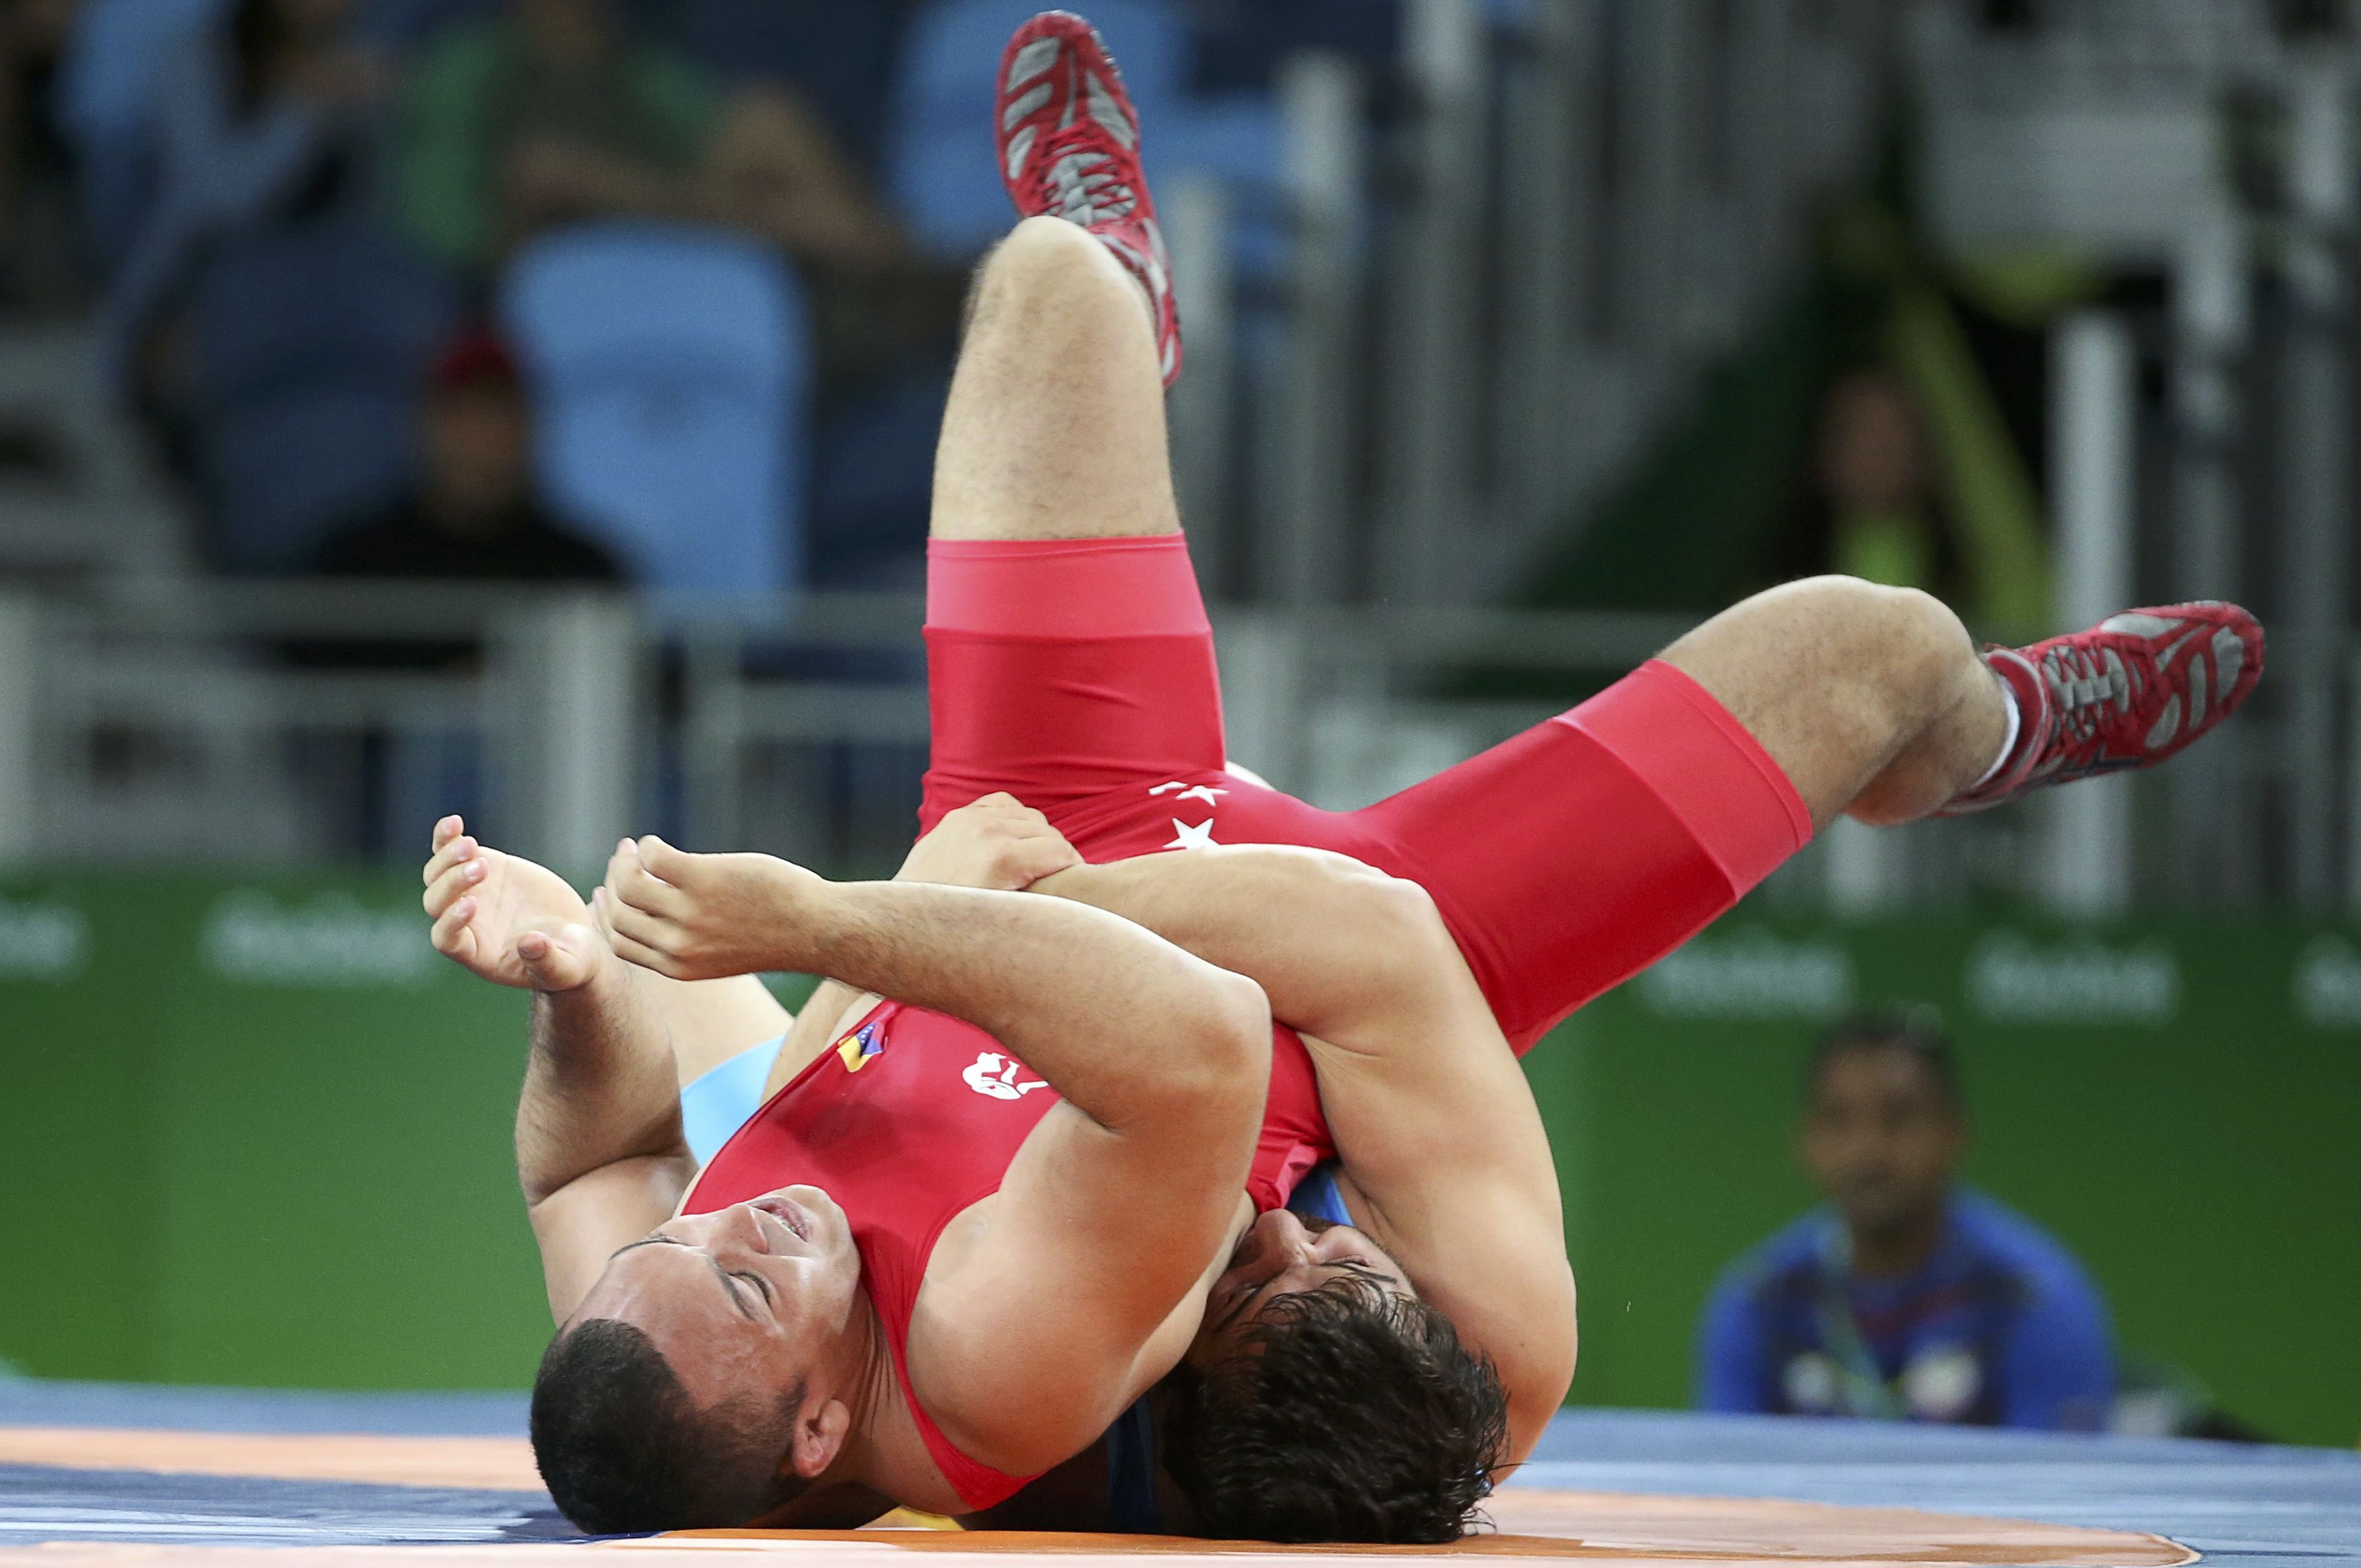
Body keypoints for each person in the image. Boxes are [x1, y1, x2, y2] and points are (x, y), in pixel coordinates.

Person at [426, 7, 2262, 1542]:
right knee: (1881, 650)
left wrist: (578, 987)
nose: (739, 1219)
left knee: (1047, 279)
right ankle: (1981, 740)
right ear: (821, 1425)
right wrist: (870, 917)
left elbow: (600, 1148)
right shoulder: (989, 1359)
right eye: (745, 1273)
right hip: (1322, 942)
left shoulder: (684, 1336)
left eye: (695, 1241)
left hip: (1059, 844)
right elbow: (1258, 1006)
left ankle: (1132, 290)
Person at [1694, 1014, 2115, 1430]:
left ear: (1952, 1133)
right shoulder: (1759, 1300)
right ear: (1808, 1140)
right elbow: (1729, 1481)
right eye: (1840, 1120)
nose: (1868, 1153)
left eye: (1899, 1119)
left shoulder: (2032, 1298)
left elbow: (2049, 1491)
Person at [395, 0, 901, 276]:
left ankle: (894, 268)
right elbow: (447, 230)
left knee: (768, 119)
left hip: (680, 242)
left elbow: (716, 160)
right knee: (542, 172)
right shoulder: (470, 69)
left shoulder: (640, 69)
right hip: (551, 281)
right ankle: (900, 269)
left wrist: (607, 188)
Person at [316, 326, 619, 588]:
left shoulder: (579, 572)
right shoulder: (355, 566)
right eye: (467, 418)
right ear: (424, 426)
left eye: (503, 418)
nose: (486, 440)